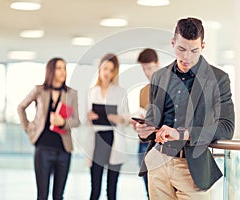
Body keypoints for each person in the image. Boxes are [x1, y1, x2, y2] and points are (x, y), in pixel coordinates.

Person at [136, 17, 235, 200]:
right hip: (158, 160)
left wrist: (182, 134)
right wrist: (144, 130)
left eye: (194, 50)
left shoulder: (218, 78)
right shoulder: (159, 77)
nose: (186, 57)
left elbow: (227, 128)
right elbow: (152, 122)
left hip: (192, 169)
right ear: (173, 43)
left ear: (203, 46)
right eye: (181, 49)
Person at [17, 57, 81, 200]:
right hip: (43, 148)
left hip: (64, 150)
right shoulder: (39, 90)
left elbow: (76, 121)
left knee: (58, 195)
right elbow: (21, 107)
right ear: (51, 70)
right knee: (42, 195)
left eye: (64, 68)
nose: (63, 71)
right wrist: (28, 128)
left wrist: (63, 121)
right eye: (59, 68)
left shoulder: (71, 93)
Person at [86, 53, 130, 200]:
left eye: (111, 70)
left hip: (114, 138)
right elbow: (84, 119)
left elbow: (127, 117)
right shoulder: (92, 92)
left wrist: (119, 118)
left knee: (112, 188)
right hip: (98, 139)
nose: (107, 73)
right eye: (105, 68)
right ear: (100, 69)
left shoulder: (121, 92)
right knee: (95, 188)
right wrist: (89, 117)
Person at [136, 48, 160, 198]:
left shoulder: (169, 87)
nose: (147, 72)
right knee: (149, 190)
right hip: (145, 144)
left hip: (162, 143)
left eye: (150, 68)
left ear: (158, 64)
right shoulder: (143, 91)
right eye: (144, 69)